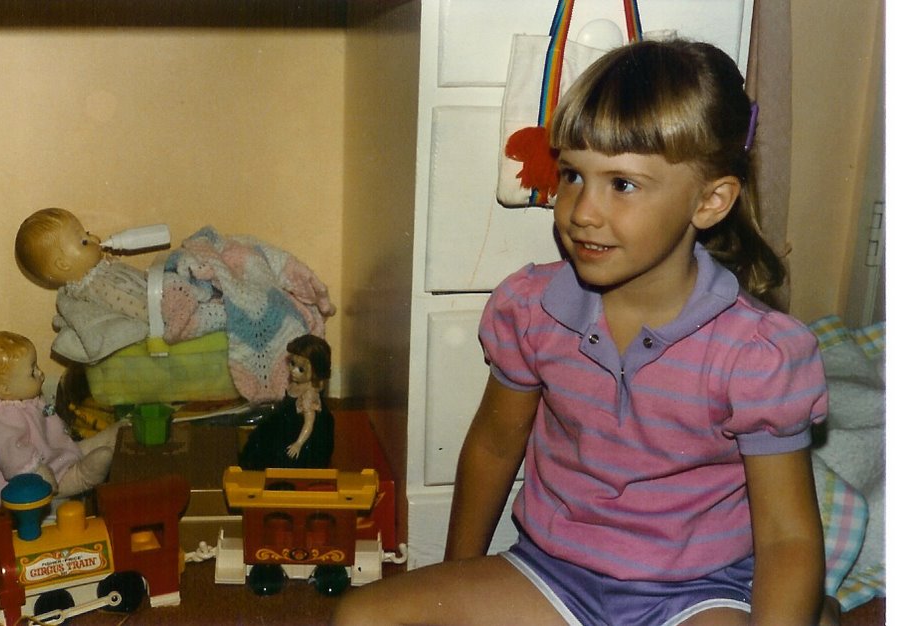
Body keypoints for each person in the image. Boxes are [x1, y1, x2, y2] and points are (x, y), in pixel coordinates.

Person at [333, 39, 828, 625]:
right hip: (554, 574)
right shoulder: (532, 309)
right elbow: (494, 445)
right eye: (572, 175)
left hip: (698, 591)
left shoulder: (757, 354)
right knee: (361, 617)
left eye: (622, 184)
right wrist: (457, 578)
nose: (582, 212)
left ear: (710, 201)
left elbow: (787, 536)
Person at [0, 331, 125, 510]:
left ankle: (89, 447)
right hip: (36, 480)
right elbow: (10, 453)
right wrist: (38, 472)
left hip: (49, 454)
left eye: (37, 366)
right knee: (93, 464)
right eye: (32, 372)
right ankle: (80, 475)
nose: (40, 373)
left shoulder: (20, 397)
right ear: (5, 389)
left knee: (73, 449)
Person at [15, 207, 150, 363]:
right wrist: (159, 317)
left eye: (87, 233)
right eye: (84, 242)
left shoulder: (98, 274)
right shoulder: (96, 286)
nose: (95, 238)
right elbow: (132, 305)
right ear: (63, 264)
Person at [239, 334, 335, 470]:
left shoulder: (309, 395)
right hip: (286, 422)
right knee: (260, 438)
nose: (294, 371)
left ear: (316, 372)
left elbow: (309, 424)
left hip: (301, 431)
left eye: (301, 369)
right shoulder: (296, 384)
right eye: (292, 364)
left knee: (284, 457)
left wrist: (298, 443)